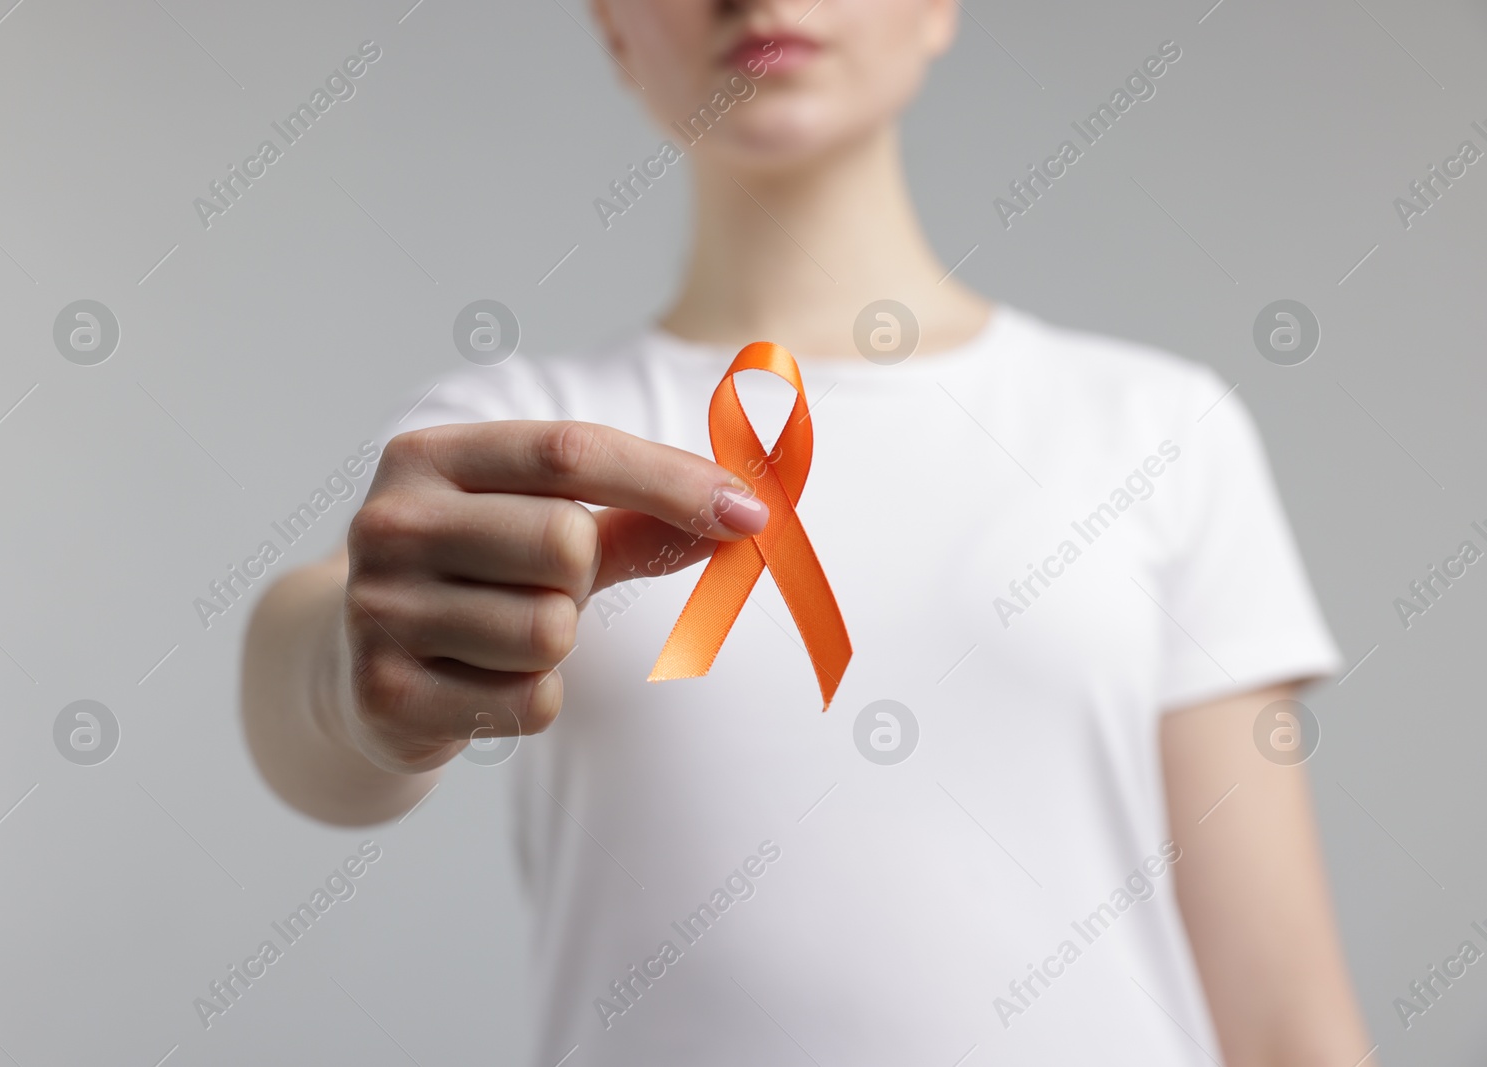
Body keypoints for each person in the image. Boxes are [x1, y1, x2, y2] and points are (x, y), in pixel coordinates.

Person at [241, 1, 1375, 1063]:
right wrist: (351, 680)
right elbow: (321, 673)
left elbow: (1282, 1013)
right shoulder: (512, 438)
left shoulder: (1158, 428)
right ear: (611, 27)